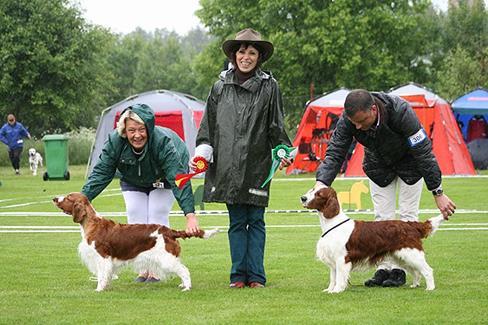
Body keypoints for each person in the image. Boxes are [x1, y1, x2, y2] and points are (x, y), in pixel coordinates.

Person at [313, 89, 456, 288]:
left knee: (407, 216)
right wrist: (322, 183)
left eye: (361, 122)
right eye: (354, 123)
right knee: (382, 216)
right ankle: (384, 268)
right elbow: (336, 151)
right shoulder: (349, 120)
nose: (357, 127)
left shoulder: (401, 111)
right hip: (377, 166)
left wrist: (437, 192)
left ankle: (401, 271)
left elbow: (423, 152)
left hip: (410, 165)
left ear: (373, 109)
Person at [191, 28, 292, 289]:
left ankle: (256, 277)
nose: (245, 57)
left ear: (259, 57)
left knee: (256, 221)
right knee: (236, 222)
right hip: (227, 166)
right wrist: (202, 152)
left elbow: (276, 125)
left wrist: (282, 149)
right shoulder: (219, 87)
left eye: (252, 52)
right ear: (234, 54)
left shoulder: (270, 87)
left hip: (258, 165)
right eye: (241, 51)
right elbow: (208, 127)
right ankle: (237, 276)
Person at [81, 103, 200, 282]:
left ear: (149, 129)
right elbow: (102, 172)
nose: (137, 135)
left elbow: (178, 179)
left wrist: (190, 214)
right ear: (124, 130)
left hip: (165, 177)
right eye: (131, 130)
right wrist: (82, 199)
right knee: (135, 216)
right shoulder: (115, 141)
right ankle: (143, 269)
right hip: (132, 178)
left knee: (157, 213)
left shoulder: (163, 142)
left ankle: (156, 271)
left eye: (141, 129)